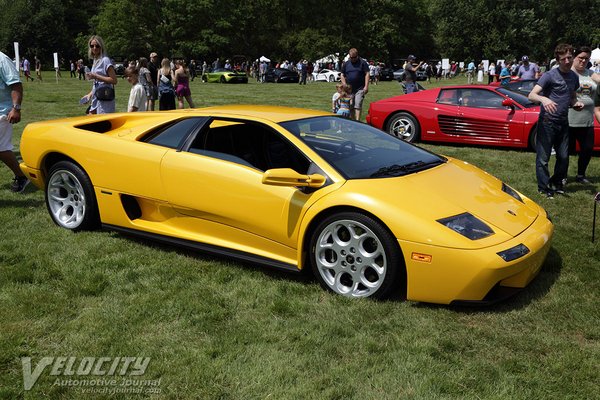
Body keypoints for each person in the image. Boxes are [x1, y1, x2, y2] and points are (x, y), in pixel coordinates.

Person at [528, 43, 584, 198]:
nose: (567, 61)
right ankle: (543, 187)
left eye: (569, 57)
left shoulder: (573, 77)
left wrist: (575, 104)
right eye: (563, 58)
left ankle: (556, 182)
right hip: (547, 122)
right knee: (543, 157)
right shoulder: (549, 75)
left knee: (564, 156)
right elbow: (532, 95)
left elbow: (572, 96)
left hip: (563, 122)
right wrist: (544, 99)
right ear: (558, 60)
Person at [568, 46, 600, 184]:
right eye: (580, 57)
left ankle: (581, 175)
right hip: (569, 119)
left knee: (587, 149)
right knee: (565, 152)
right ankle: (562, 176)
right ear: (574, 57)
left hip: (587, 120)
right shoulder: (567, 73)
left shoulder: (590, 73)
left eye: (586, 58)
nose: (583, 61)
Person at [0, 51, 28, 192]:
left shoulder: (2, 60)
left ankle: (21, 175)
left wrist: (16, 108)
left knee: (2, 149)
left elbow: (16, 84)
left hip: (2, 112)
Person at [81, 36, 117, 114]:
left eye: (97, 46)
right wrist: (89, 95)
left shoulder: (105, 60)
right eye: (92, 46)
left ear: (101, 46)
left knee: (102, 123)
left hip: (104, 98)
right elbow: (97, 84)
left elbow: (114, 80)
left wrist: (95, 76)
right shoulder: (95, 60)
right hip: (96, 98)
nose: (94, 48)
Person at [340, 48, 369, 120]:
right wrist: (344, 84)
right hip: (349, 89)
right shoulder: (346, 64)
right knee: (350, 106)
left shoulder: (362, 63)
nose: (352, 59)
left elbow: (367, 73)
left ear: (357, 55)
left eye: (354, 57)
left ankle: (358, 121)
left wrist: (366, 86)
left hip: (360, 88)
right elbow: (342, 74)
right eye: (351, 57)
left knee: (358, 104)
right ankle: (353, 121)